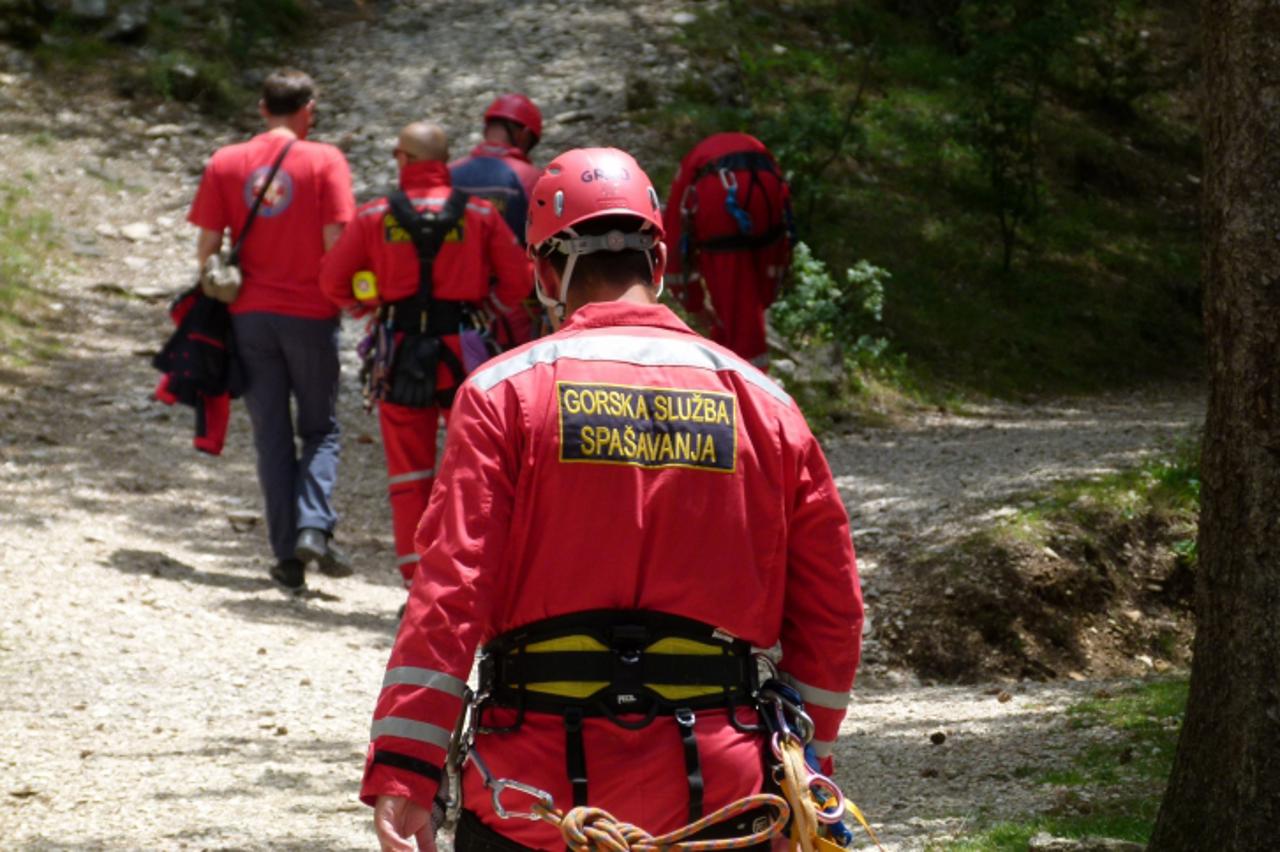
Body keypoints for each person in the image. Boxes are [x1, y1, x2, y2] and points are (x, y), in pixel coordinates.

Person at [360, 147, 862, 852]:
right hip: (725, 793)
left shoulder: (505, 394)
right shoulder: (764, 403)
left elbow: (451, 591)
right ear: (658, 263)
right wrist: (808, 755)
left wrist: (407, 768)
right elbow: (832, 610)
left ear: (542, 273)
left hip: (535, 796)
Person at [319, 122, 531, 591]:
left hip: (398, 354)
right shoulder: (478, 214)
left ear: (403, 158)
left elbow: (333, 281)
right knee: (473, 468)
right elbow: (519, 280)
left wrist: (372, 311)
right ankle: (468, 578)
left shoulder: (375, 215)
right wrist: (487, 311)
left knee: (410, 474)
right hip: (466, 352)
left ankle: (417, 584)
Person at [187, 68, 356, 592]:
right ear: (309, 109)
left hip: (249, 319)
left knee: (272, 437)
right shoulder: (325, 160)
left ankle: (286, 559)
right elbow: (337, 241)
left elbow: (207, 249)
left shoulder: (225, 161)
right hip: (311, 316)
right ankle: (313, 524)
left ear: (262, 108)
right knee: (321, 428)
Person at [663, 132, 795, 366]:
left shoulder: (691, 168)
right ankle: (744, 365)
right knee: (746, 309)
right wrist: (768, 294)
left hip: (720, 201)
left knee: (737, 311)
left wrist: (693, 303)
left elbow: (673, 239)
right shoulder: (757, 150)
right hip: (765, 191)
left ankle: (742, 384)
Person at [450, 93, 545, 347]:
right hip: (514, 311)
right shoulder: (532, 179)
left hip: (451, 309)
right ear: (523, 135)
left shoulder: (449, 174)